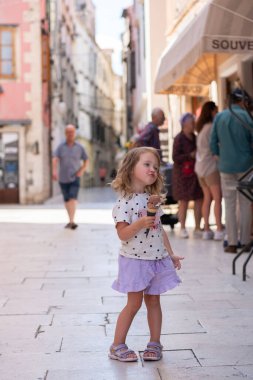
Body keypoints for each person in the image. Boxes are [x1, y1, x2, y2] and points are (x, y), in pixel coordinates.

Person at [109, 147, 183, 362]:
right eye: (147, 164)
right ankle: (117, 345)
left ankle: (155, 343)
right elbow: (123, 234)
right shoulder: (124, 202)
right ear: (131, 168)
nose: (153, 169)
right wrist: (140, 223)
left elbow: (159, 229)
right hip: (135, 260)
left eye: (155, 167)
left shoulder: (152, 200)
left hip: (156, 259)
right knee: (134, 304)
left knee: (153, 301)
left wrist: (171, 254)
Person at [210, 88, 253, 253]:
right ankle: (244, 241)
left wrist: (219, 156)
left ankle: (232, 242)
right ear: (242, 101)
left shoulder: (220, 116)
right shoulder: (246, 117)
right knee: (245, 203)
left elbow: (213, 142)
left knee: (228, 204)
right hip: (246, 167)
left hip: (226, 166)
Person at [195, 101, 224, 240]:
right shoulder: (211, 127)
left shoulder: (201, 129)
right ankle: (219, 229)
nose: (217, 113)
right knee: (217, 198)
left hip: (200, 168)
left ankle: (206, 229)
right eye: (216, 110)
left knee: (207, 198)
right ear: (211, 111)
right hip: (210, 167)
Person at [172, 113, 203, 239]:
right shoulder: (178, 138)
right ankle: (183, 228)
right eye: (192, 123)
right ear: (184, 124)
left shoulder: (195, 138)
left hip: (195, 174)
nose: (194, 125)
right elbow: (175, 157)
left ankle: (197, 227)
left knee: (199, 199)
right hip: (182, 175)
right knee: (183, 202)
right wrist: (189, 155)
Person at [52, 124, 88, 229]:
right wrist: (54, 171)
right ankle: (70, 220)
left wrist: (81, 171)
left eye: (72, 132)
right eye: (68, 132)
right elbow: (55, 159)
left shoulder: (80, 147)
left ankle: (72, 221)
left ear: (75, 133)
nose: (70, 134)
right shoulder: (60, 147)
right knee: (67, 200)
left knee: (72, 198)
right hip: (63, 178)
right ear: (65, 134)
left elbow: (86, 160)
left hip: (75, 177)